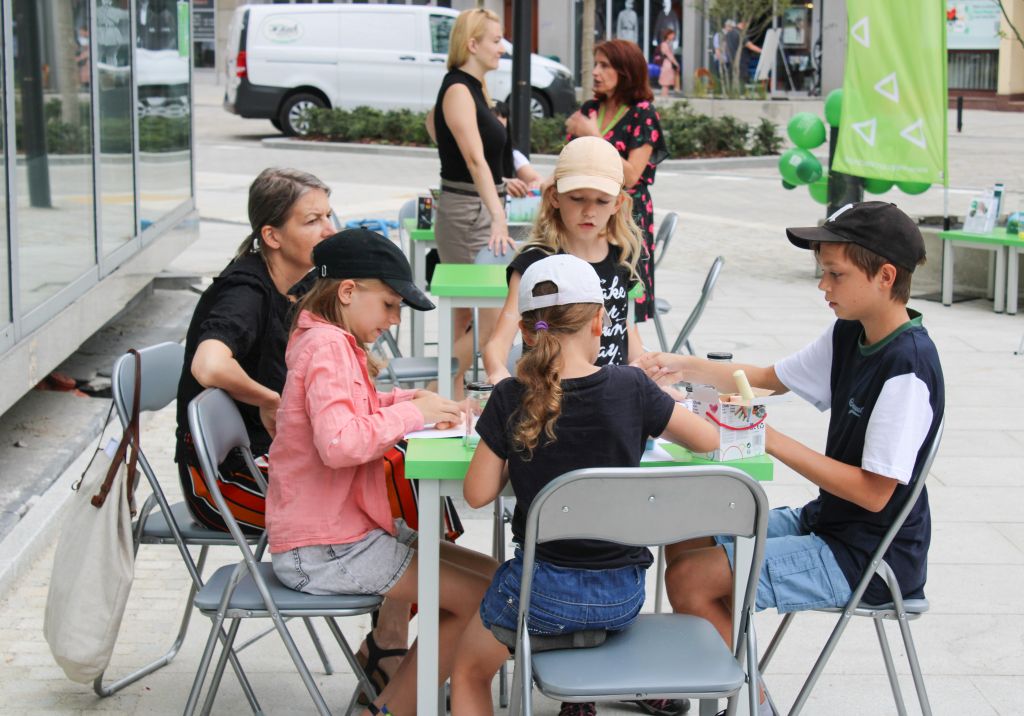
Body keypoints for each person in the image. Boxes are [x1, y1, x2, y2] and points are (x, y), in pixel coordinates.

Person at [636, 201, 945, 714]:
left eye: (835, 274)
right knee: (685, 530)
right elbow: (769, 379)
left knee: (691, 579)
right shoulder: (852, 332)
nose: (823, 286)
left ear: (886, 276)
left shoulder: (906, 367)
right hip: (831, 523)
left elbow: (873, 494)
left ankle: (749, 702)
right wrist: (678, 365)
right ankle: (731, 681)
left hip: (869, 557)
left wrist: (767, 438)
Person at [174, 169, 412, 696]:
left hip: (272, 465)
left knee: (399, 479)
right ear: (272, 236)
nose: (329, 229)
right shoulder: (245, 290)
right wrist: (270, 399)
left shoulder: (302, 290)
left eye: (329, 215)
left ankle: (392, 640)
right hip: (225, 484)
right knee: (397, 486)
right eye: (312, 220)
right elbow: (208, 365)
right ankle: (392, 647)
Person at [450, 254, 719, 716]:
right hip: (621, 596)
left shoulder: (511, 396)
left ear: (527, 330)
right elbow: (708, 440)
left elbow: (476, 494)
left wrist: (516, 446)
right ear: (599, 322)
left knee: (469, 672)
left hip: (539, 593)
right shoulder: (633, 387)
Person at [266, 228, 497, 716]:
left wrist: (414, 400)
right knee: (486, 598)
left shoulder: (328, 339)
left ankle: (394, 695)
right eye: (390, 305)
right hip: (327, 548)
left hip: (340, 535)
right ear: (348, 291)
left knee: (495, 581)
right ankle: (394, 708)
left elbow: (354, 409)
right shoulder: (327, 346)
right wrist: (414, 414)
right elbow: (340, 442)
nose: (394, 320)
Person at [483, 136, 645, 384]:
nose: (589, 211)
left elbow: (626, 330)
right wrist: (497, 373)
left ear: (618, 203)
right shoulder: (534, 263)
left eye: (602, 200)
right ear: (555, 197)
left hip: (613, 394)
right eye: (577, 198)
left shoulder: (622, 257)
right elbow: (499, 342)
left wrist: (648, 373)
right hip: (551, 395)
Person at [427, 7, 514, 398]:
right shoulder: (459, 89)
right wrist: (497, 215)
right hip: (468, 214)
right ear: (473, 44)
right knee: (489, 324)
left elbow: (433, 125)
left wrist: (500, 186)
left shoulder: (470, 88)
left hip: (471, 207)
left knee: (467, 318)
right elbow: (474, 159)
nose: (502, 48)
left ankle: (449, 396)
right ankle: (436, 390)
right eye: (495, 40)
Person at [566, 39, 668, 324]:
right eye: (596, 64)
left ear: (626, 71)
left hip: (625, 215)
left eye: (605, 66)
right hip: (587, 210)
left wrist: (593, 135)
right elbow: (571, 157)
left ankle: (623, 346)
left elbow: (632, 175)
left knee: (620, 292)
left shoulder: (643, 113)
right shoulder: (591, 109)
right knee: (582, 292)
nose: (595, 72)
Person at [491, 100, 544, 195]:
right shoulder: (469, 153)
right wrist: (502, 183)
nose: (498, 135)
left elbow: (536, 179)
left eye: (502, 129)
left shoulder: (513, 155)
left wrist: (535, 183)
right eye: (493, 128)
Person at [658, 29, 680, 98]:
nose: (673, 36)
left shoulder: (669, 44)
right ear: (668, 35)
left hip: (668, 64)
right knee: (665, 84)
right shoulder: (665, 44)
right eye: (672, 35)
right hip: (667, 65)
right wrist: (676, 63)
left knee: (666, 84)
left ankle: (664, 97)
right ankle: (664, 98)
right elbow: (669, 55)